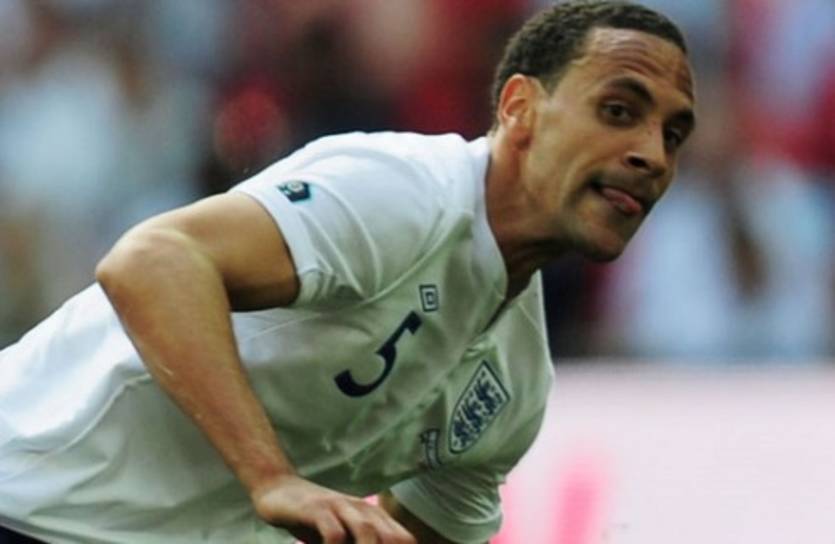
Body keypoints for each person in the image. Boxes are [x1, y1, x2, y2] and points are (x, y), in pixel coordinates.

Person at [0, 1, 695, 542]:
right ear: (519, 108)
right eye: (617, 111)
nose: (652, 156)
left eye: (671, 133)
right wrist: (271, 478)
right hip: (26, 498)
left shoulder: (515, 386)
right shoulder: (404, 194)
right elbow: (150, 260)